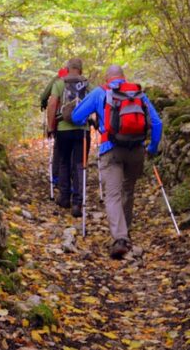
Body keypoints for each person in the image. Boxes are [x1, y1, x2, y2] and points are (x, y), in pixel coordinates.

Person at [71, 65, 162, 259]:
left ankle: (120, 239)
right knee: (128, 190)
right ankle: (126, 231)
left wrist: (93, 120)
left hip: (110, 149)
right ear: (123, 77)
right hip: (136, 150)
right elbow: (157, 123)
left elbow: (76, 116)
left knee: (112, 195)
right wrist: (152, 148)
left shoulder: (100, 92)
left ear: (107, 78)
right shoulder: (138, 93)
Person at [45, 58, 90, 217]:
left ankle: (64, 197)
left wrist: (51, 127)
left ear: (68, 68)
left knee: (63, 161)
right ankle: (78, 203)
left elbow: (52, 105)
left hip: (63, 129)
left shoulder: (59, 83)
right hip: (82, 130)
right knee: (79, 164)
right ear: (81, 69)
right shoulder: (87, 84)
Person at [39, 65, 68, 201]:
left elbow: (44, 96)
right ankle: (70, 178)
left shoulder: (56, 80)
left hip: (57, 119)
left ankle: (56, 177)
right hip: (75, 121)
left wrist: (44, 103)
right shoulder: (79, 81)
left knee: (59, 148)